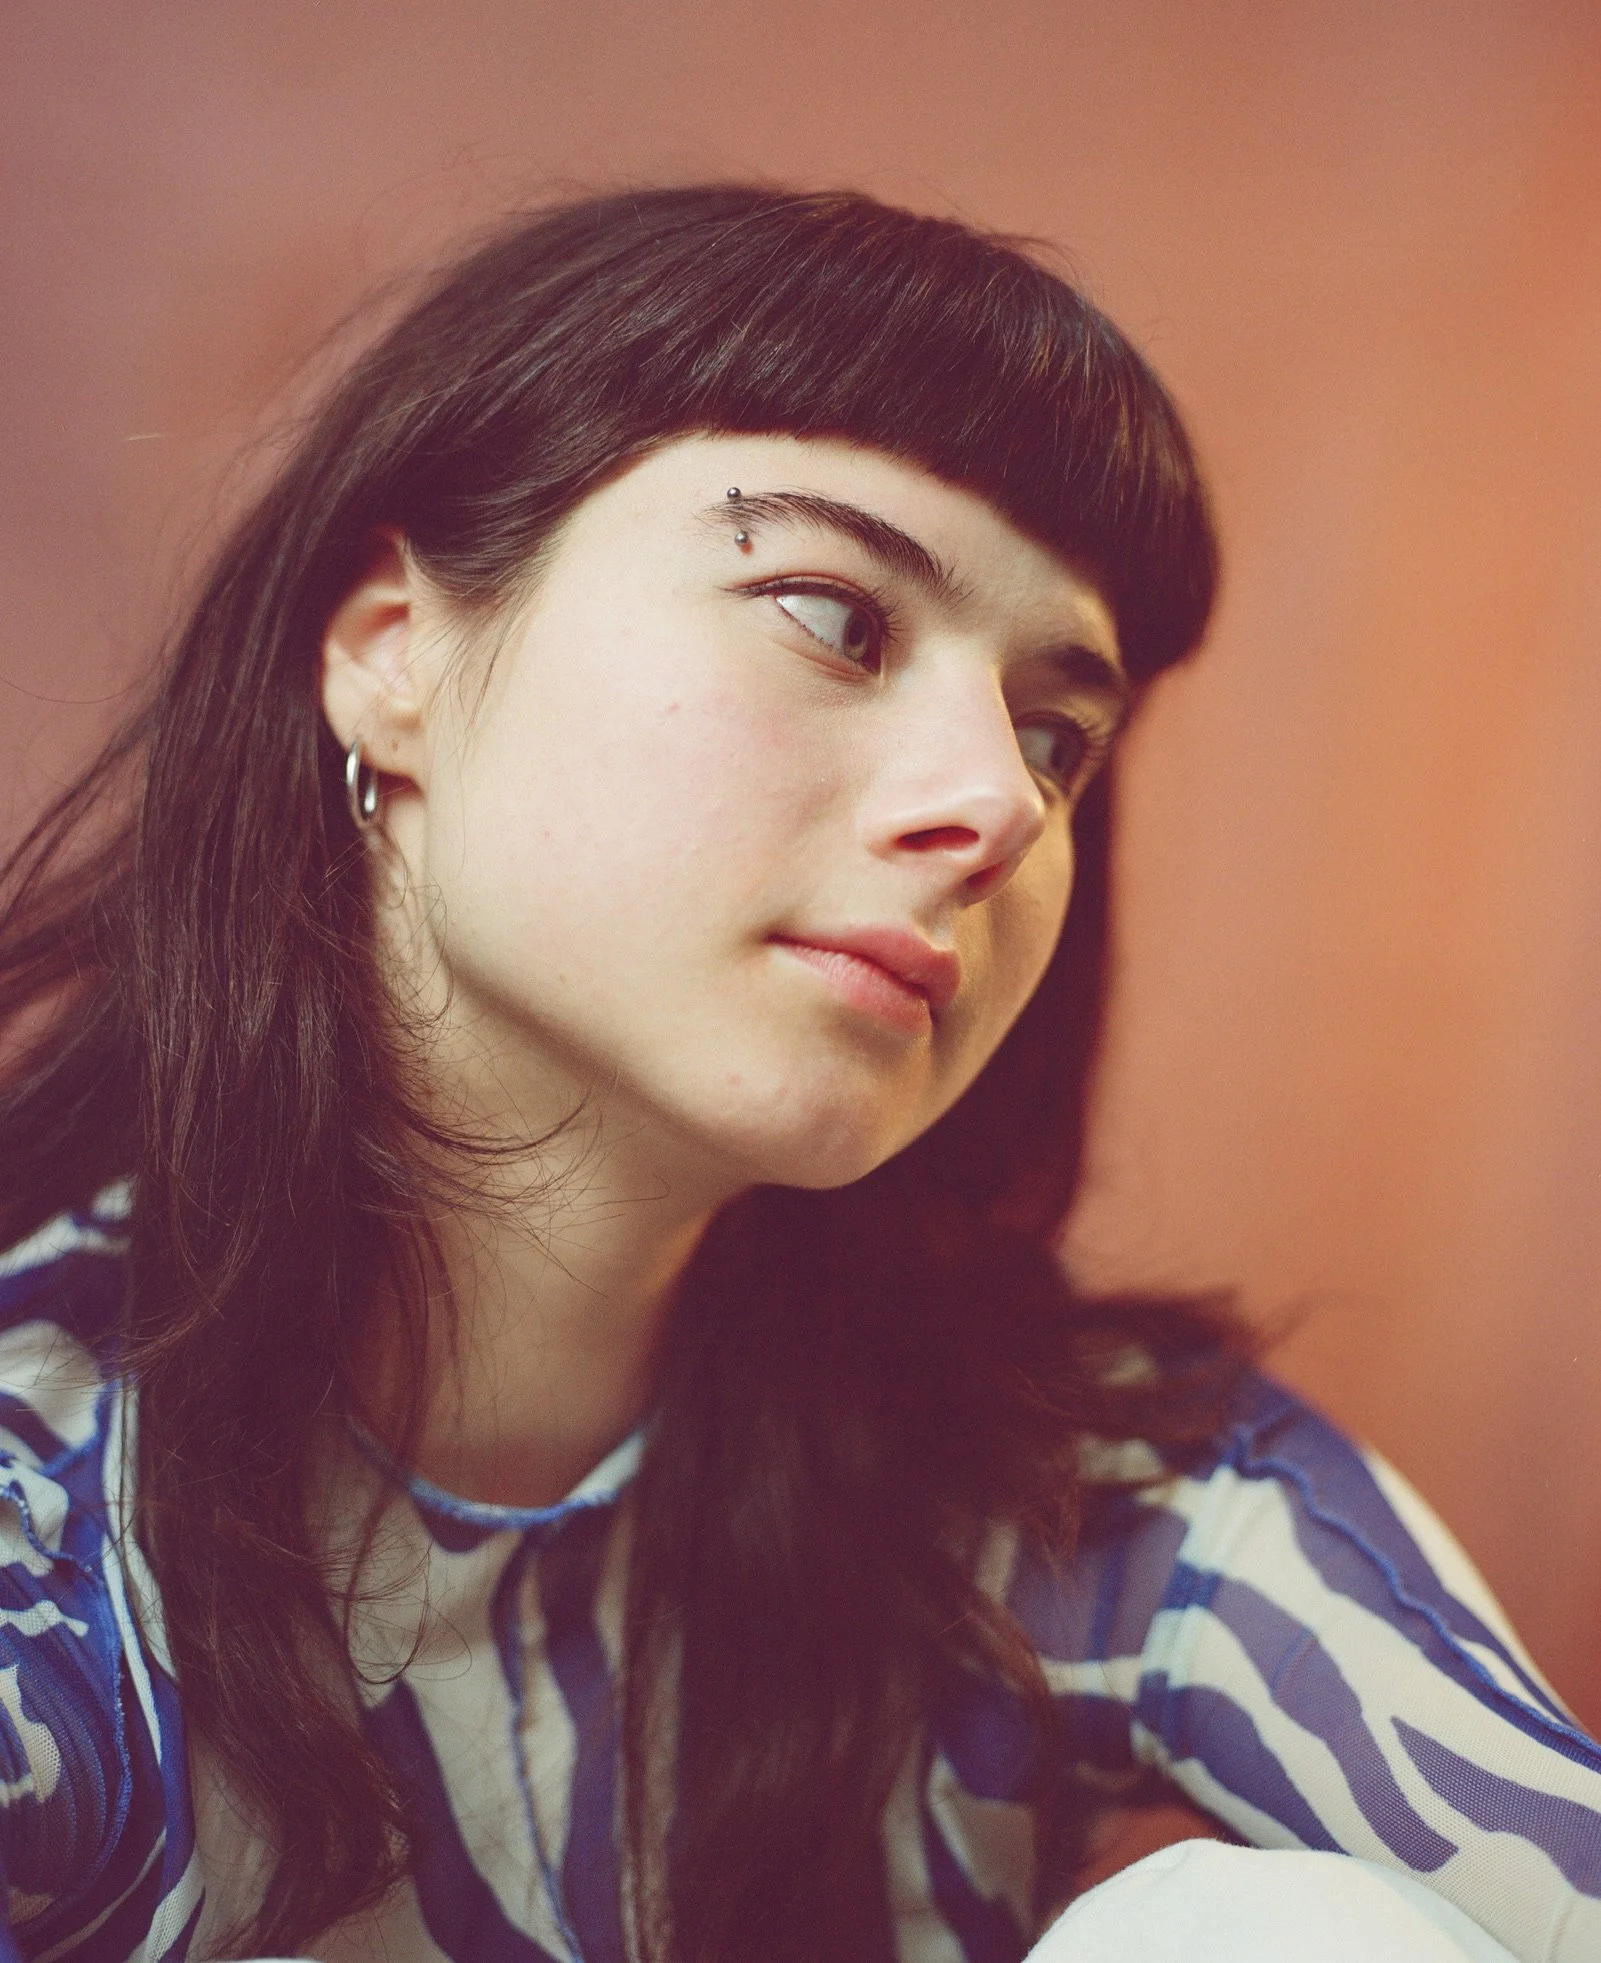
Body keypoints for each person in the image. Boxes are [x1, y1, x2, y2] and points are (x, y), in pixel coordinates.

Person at [0, 186, 1595, 1963]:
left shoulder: (1078, 1490)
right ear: (395, 650)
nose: (997, 804)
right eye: (836, 618)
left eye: (1056, 736)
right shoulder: (40, 1525)